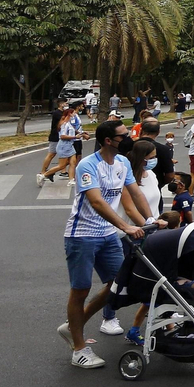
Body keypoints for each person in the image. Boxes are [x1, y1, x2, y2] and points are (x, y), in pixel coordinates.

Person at [58, 122, 161, 369]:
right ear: (108, 140)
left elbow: (135, 194)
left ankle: (75, 325)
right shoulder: (88, 165)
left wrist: (150, 220)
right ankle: (79, 349)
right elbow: (97, 202)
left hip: (108, 235)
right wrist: (126, 226)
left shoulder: (123, 163)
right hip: (82, 235)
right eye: (123, 136)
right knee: (80, 290)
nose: (129, 138)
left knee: (118, 283)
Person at [41, 104, 83, 184]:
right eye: (73, 113)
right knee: (62, 165)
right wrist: (75, 137)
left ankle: (71, 180)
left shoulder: (69, 123)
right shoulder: (64, 124)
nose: (75, 114)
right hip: (64, 146)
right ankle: (44, 175)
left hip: (70, 145)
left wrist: (82, 134)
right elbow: (62, 136)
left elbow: (73, 131)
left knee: (73, 162)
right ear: (69, 114)